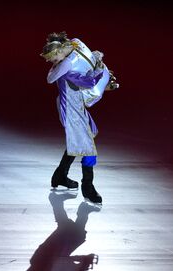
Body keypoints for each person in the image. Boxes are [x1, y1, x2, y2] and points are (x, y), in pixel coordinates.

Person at [41, 31, 118, 204]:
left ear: (62, 49)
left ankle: (60, 176)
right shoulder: (67, 69)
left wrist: (98, 66)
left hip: (74, 107)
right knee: (88, 148)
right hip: (72, 110)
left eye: (55, 59)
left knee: (81, 141)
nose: (54, 63)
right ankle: (88, 187)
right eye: (52, 61)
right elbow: (90, 83)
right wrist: (99, 69)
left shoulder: (72, 59)